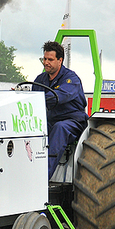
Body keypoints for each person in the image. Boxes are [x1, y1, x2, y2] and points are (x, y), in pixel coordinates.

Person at [32, 41, 89, 179]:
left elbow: (60, 95)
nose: (46, 62)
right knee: (31, 128)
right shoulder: (40, 80)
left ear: (60, 60)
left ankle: (42, 178)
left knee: (60, 128)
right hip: (50, 121)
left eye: (50, 59)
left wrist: (38, 98)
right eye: (44, 59)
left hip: (73, 122)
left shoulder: (71, 79)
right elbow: (31, 98)